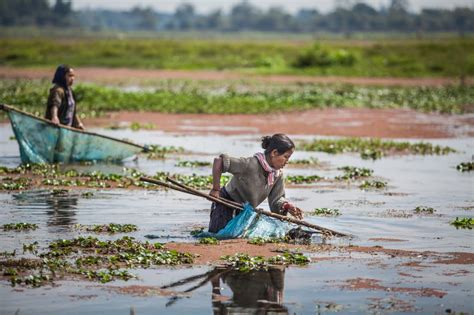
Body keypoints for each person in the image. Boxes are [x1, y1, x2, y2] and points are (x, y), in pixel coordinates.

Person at [208, 133, 303, 233]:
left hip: (244, 210)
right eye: (286, 157)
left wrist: (287, 206)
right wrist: (215, 189)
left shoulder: (277, 175)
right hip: (226, 203)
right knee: (217, 234)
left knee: (235, 236)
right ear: (274, 153)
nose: (287, 161)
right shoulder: (250, 164)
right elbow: (219, 161)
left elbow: (276, 200)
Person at [45, 64, 84, 129]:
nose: (72, 78)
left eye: (73, 76)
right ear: (62, 76)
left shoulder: (70, 91)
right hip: (56, 128)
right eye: (70, 76)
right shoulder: (58, 90)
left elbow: (72, 111)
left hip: (66, 129)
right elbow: (54, 104)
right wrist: (54, 117)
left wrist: (78, 123)